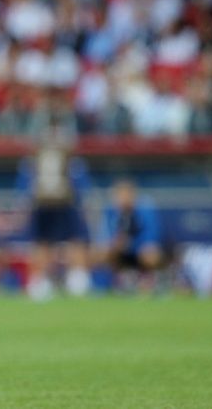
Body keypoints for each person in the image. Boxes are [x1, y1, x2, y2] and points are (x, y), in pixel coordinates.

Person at [17, 111, 91, 300]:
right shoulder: (56, 153)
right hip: (55, 201)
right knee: (54, 241)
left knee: (50, 241)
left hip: (54, 201)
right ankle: (63, 281)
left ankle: (67, 280)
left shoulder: (40, 154)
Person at [100, 179, 162, 290]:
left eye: (126, 195)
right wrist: (115, 243)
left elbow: (152, 234)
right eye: (120, 195)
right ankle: (112, 283)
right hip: (120, 251)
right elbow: (106, 234)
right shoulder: (111, 212)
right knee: (101, 252)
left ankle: (149, 282)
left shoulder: (145, 209)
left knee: (150, 253)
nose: (123, 199)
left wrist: (131, 244)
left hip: (139, 250)